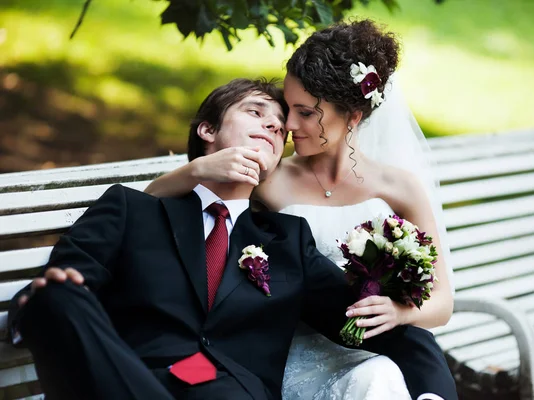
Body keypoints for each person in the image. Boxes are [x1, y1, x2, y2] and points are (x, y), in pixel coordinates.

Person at [7, 78, 457, 400]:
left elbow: (366, 321)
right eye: (255, 112)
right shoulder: (133, 209)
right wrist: (51, 297)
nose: (272, 127)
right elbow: (56, 288)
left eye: (280, 126)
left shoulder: (286, 241)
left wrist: (431, 388)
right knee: (59, 297)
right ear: (208, 130)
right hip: (133, 380)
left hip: (232, 391)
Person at [145, 20, 456, 400]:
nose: (287, 125)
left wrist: (399, 312)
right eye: (288, 108)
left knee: (386, 371)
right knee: (380, 378)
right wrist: (196, 169)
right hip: (284, 355)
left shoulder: (399, 188)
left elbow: (441, 302)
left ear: (353, 116)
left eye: (305, 113)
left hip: (370, 343)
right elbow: (157, 200)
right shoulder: (268, 177)